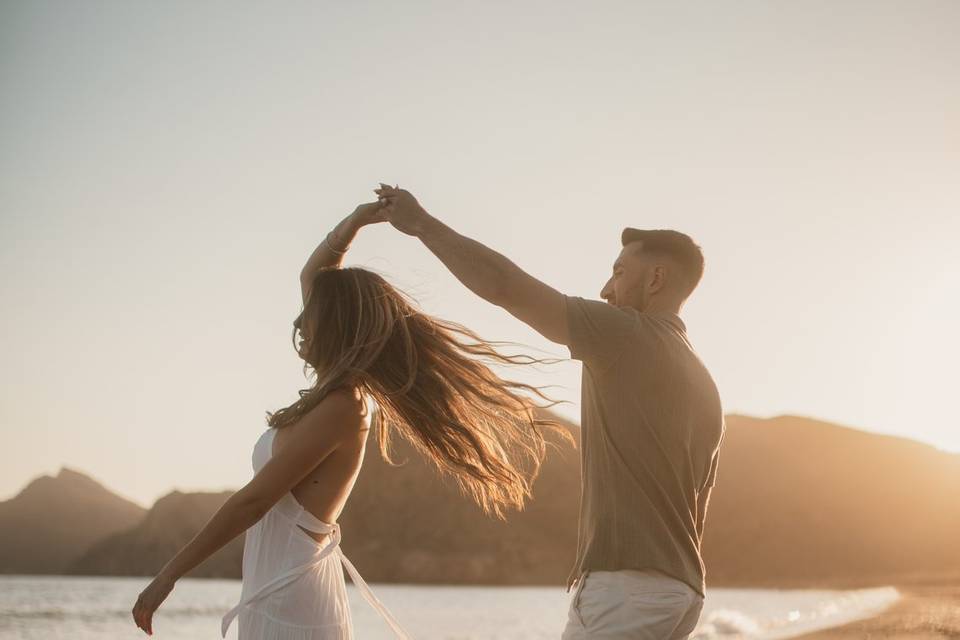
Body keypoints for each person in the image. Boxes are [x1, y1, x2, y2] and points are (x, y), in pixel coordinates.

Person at [131, 200, 566, 639]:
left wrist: (169, 573)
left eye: (312, 313)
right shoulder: (328, 396)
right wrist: (355, 223)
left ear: (336, 325)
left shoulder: (344, 407)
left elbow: (254, 502)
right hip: (272, 594)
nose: (299, 320)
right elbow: (312, 276)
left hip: (292, 601)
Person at [375, 183, 726, 640]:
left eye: (619, 272)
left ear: (656, 279)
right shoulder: (702, 379)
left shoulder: (626, 335)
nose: (606, 290)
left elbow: (504, 286)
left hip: (627, 588)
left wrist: (421, 224)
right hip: (680, 589)